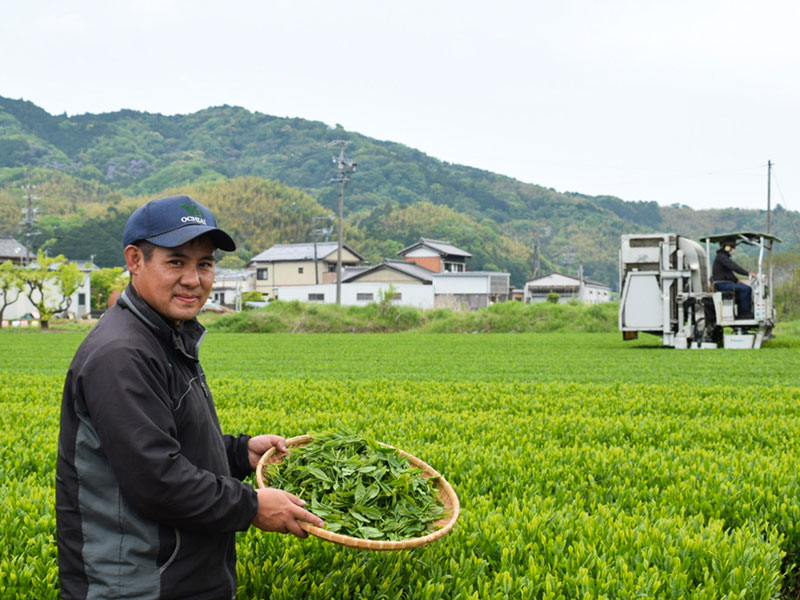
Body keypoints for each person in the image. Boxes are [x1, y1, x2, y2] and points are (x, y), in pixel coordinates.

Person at [56, 194, 324, 600]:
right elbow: (155, 479)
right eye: (176, 261)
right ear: (135, 260)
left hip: (177, 577)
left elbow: (167, 443)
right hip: (139, 585)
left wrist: (239, 453)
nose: (193, 279)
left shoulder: (164, 336)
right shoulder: (122, 354)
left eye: (205, 264)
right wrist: (251, 506)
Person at [712, 238, 756, 319]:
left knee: (743, 288)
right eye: (732, 246)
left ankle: (741, 313)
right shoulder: (722, 257)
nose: (733, 249)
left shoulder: (723, 257)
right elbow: (733, 267)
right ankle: (744, 314)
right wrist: (747, 273)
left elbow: (728, 273)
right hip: (722, 284)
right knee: (746, 289)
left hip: (726, 283)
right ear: (726, 247)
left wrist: (737, 281)